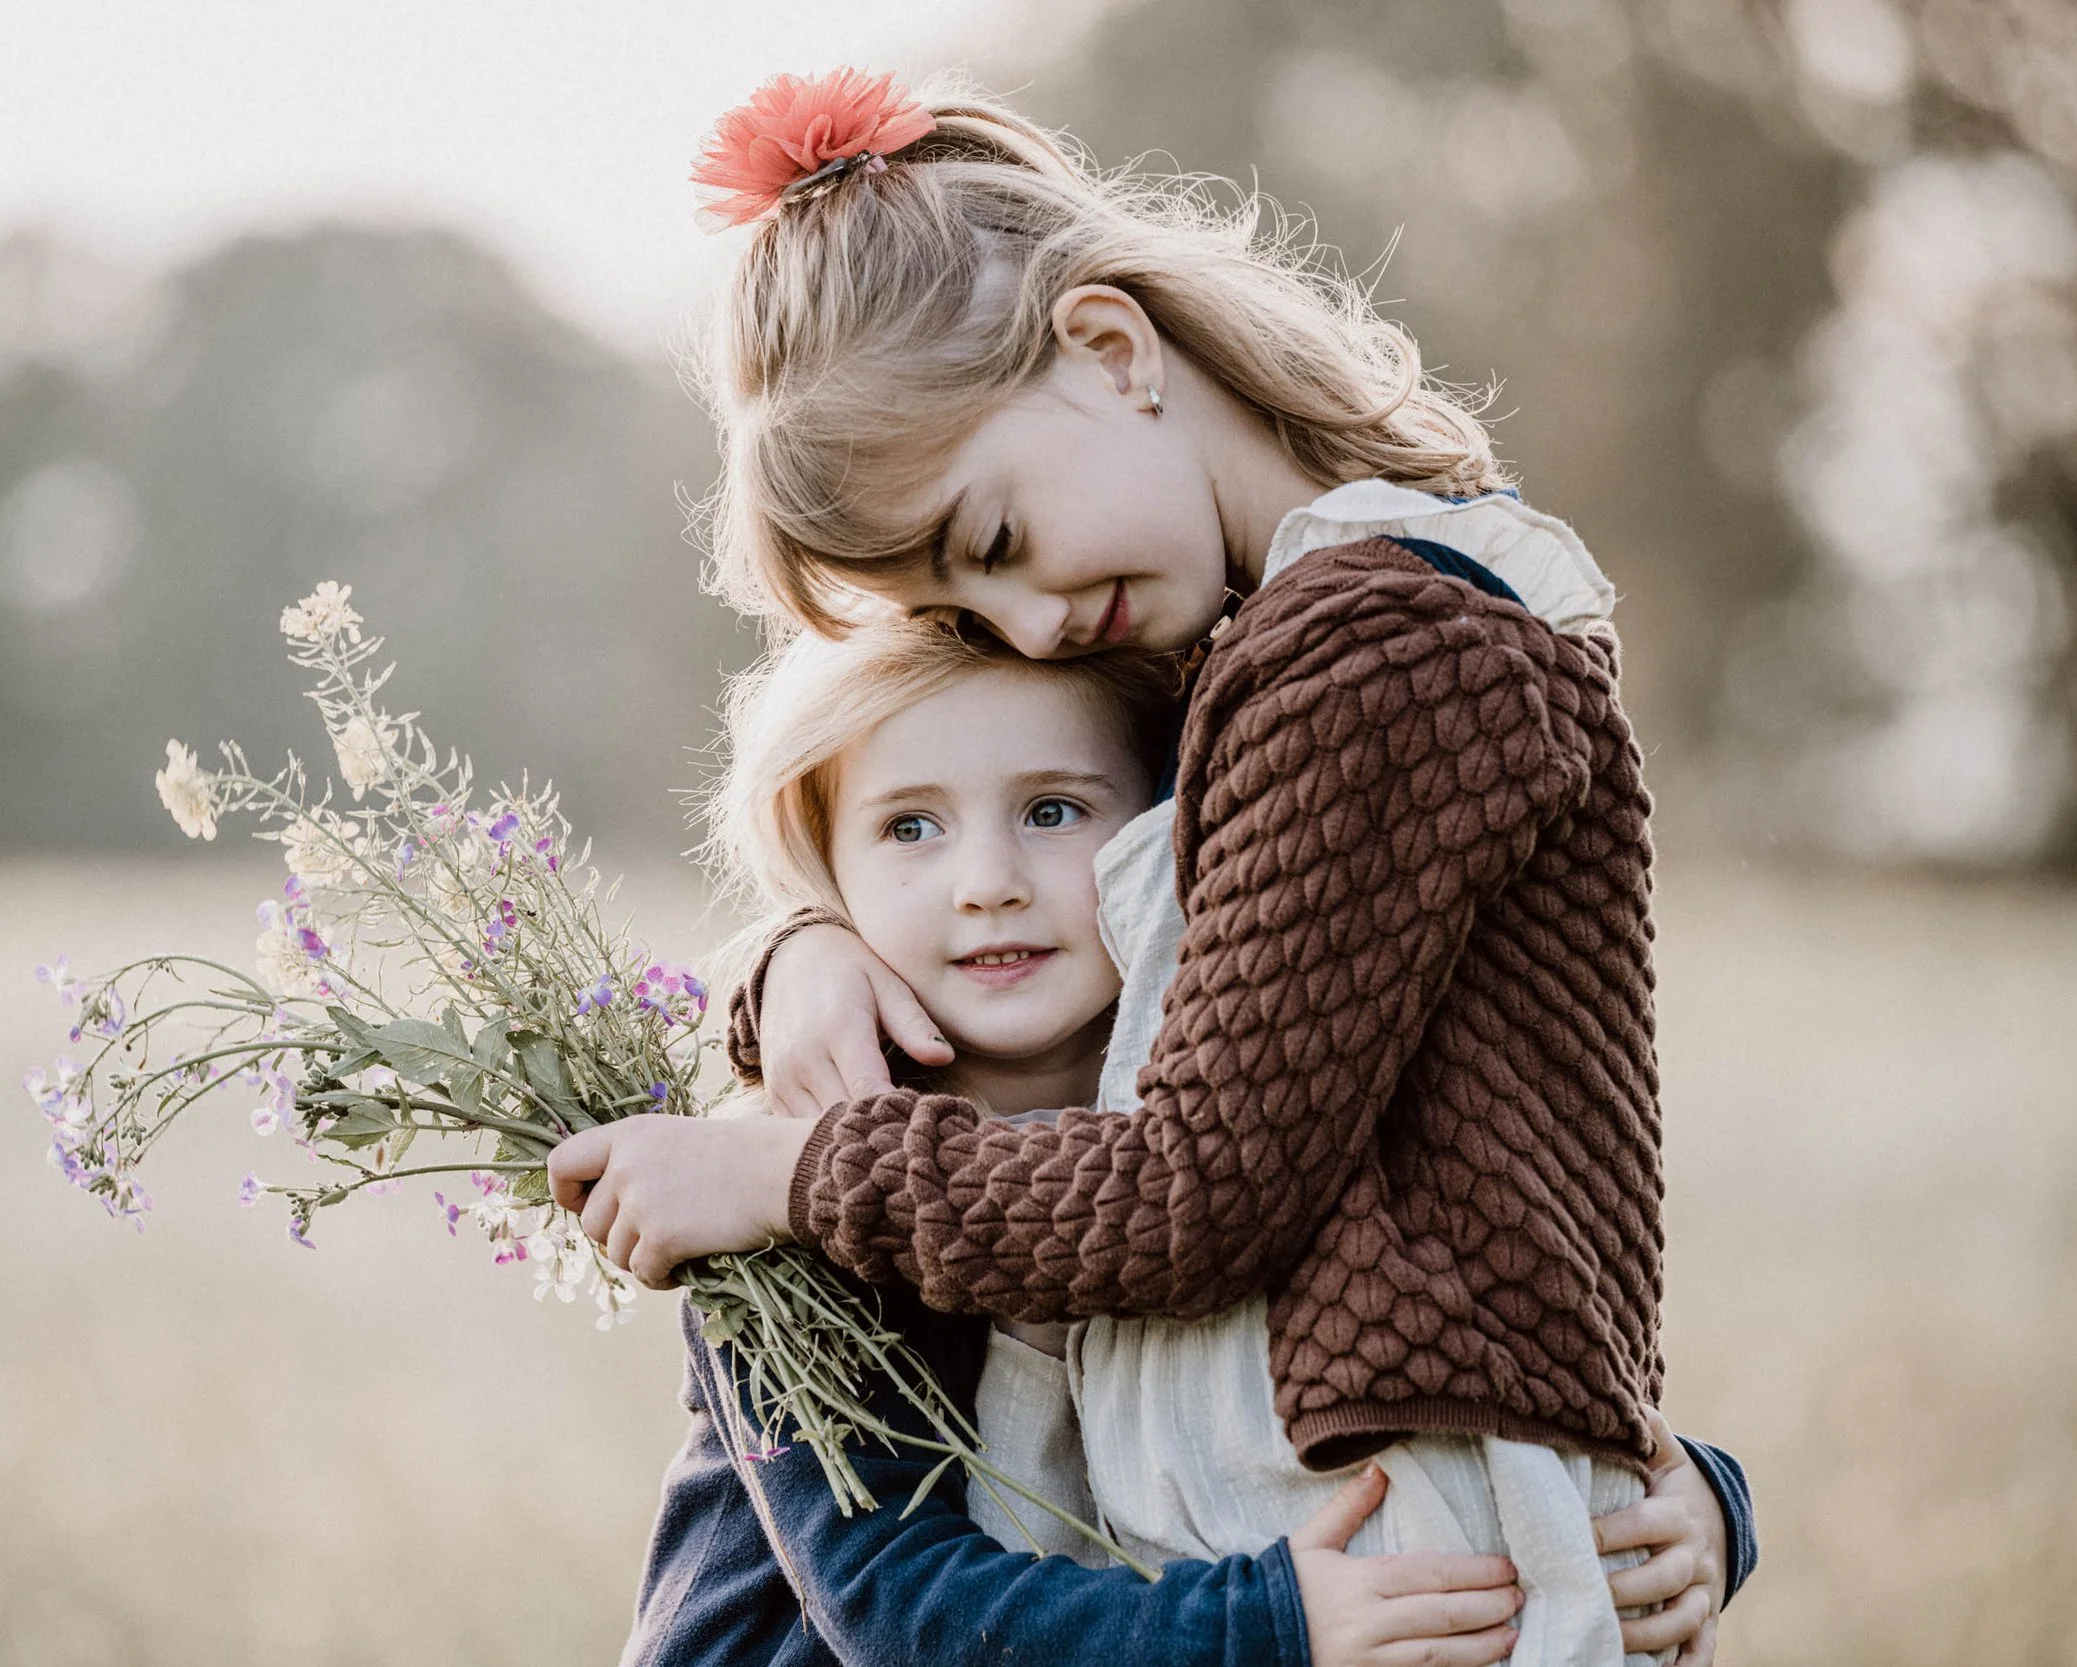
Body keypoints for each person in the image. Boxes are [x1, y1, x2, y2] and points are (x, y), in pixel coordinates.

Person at [570, 70, 1757, 1667]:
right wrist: (796, 955)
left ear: (1113, 349)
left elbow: (1201, 1183)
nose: (1039, 623)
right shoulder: (1269, 656)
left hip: (1377, 1515)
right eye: (973, 613)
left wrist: (783, 1172)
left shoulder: (1371, 653)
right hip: (1310, 1508)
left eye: (990, 540)